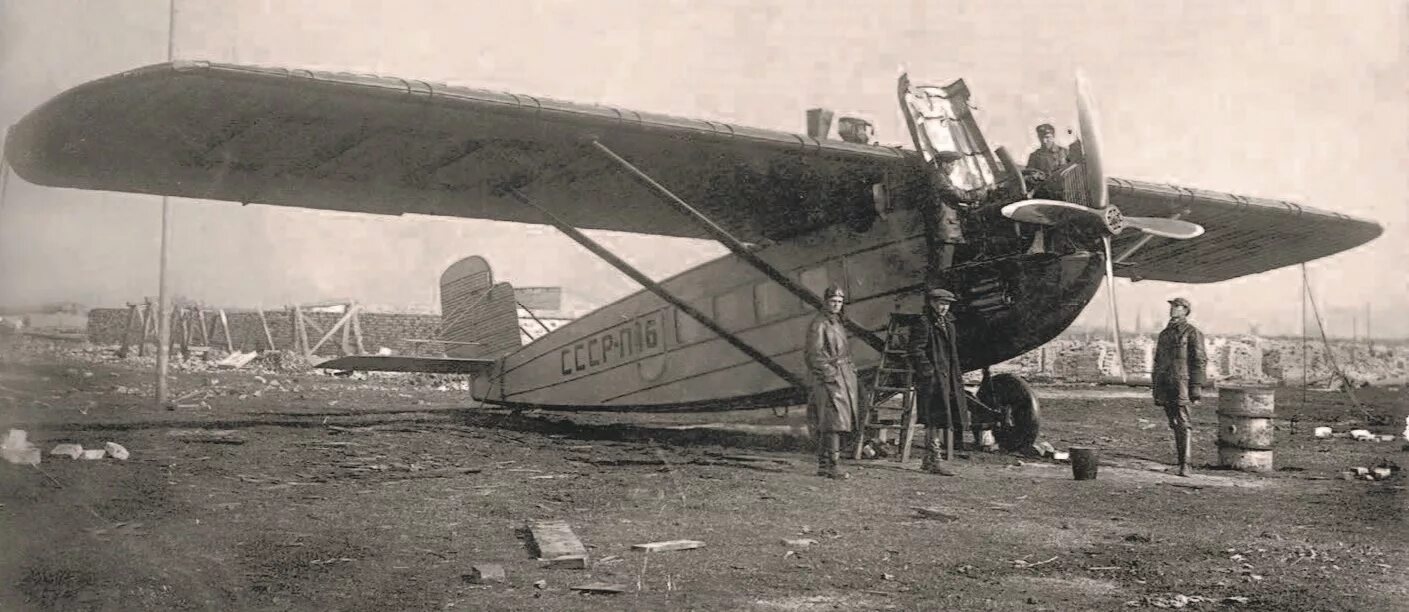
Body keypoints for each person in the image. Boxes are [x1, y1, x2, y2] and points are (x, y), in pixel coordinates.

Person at [907, 287, 967, 476]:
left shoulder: (949, 323)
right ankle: (935, 460)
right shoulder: (924, 323)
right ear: (932, 303)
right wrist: (929, 372)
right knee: (933, 419)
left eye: (947, 304)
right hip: (932, 380)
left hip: (947, 377)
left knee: (942, 417)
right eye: (941, 303)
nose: (944, 308)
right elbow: (915, 349)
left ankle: (928, 460)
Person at [804, 286, 859, 480]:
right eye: (833, 301)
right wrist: (830, 375)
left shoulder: (836, 322)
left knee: (836, 421)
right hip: (830, 379)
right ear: (825, 301)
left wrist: (849, 368)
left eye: (840, 302)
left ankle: (826, 464)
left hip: (843, 377)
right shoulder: (819, 324)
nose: (836, 305)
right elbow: (813, 355)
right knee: (832, 422)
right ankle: (831, 465)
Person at [1152, 297, 1208, 477]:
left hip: (1181, 383)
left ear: (1185, 311)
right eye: (1172, 306)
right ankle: (1180, 462)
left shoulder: (1191, 332)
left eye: (1177, 307)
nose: (1173, 309)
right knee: (1174, 422)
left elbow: (1199, 360)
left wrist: (1196, 386)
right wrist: (1156, 384)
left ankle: (1186, 464)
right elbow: (1158, 361)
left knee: (1183, 422)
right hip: (1165, 383)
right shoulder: (1164, 334)